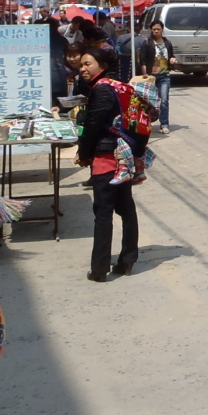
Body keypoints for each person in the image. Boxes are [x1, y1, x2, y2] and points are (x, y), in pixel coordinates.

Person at [76, 46, 143, 282]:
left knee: (103, 213)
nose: (82, 69)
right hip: (123, 158)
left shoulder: (102, 89)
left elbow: (93, 125)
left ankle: (99, 268)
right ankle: (128, 260)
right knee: (126, 209)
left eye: (87, 64)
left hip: (106, 157)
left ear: (102, 66)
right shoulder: (117, 86)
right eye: (81, 65)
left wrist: (83, 153)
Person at [137, 20, 176, 135]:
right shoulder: (147, 43)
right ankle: (146, 123)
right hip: (151, 77)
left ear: (162, 30)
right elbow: (143, 60)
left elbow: (171, 56)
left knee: (164, 101)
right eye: (154, 29)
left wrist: (172, 60)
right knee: (149, 102)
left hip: (164, 76)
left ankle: (164, 124)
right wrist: (145, 75)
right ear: (151, 30)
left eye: (158, 29)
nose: (156, 31)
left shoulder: (167, 43)